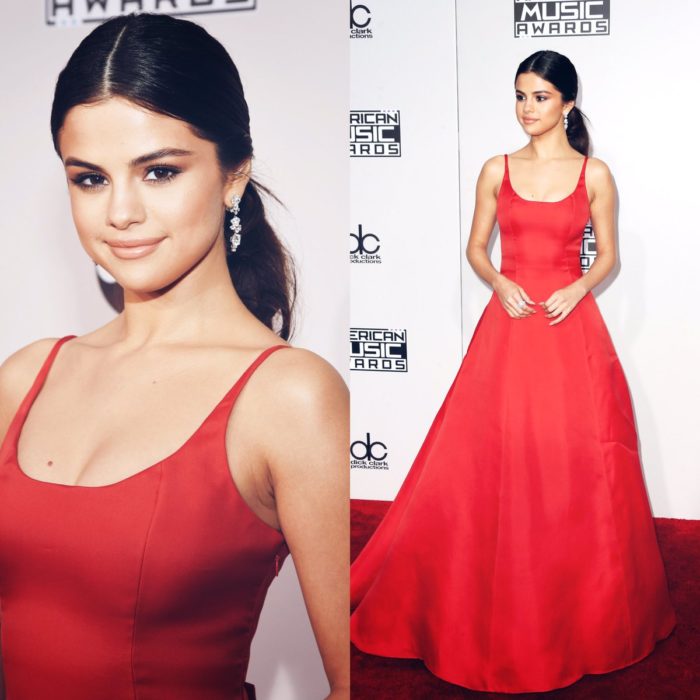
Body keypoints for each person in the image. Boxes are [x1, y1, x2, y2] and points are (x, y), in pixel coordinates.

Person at [0, 12, 348, 700]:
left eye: (158, 171)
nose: (119, 212)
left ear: (231, 177)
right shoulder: (23, 376)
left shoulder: (290, 397)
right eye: (89, 179)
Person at [349, 49, 676, 693]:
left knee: (572, 467)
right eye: (520, 96)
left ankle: (581, 610)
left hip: (566, 326)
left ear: (568, 104)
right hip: (510, 324)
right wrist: (498, 281)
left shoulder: (596, 174)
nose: (528, 109)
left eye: (541, 98)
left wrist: (579, 288)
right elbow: (476, 245)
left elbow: (607, 256)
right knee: (484, 463)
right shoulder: (496, 169)